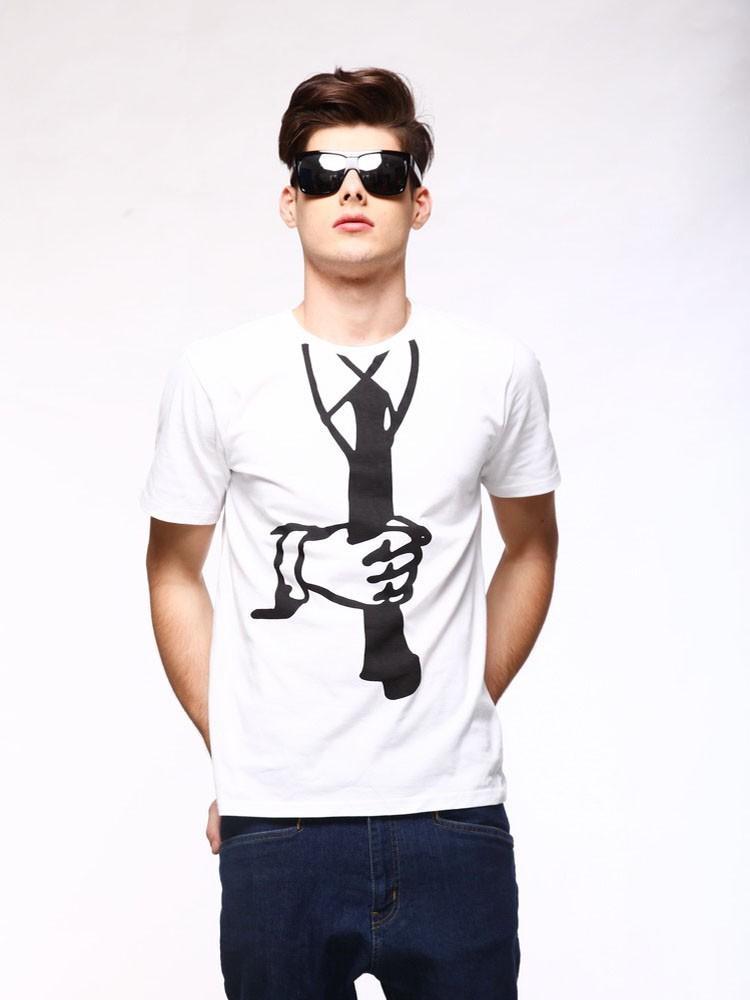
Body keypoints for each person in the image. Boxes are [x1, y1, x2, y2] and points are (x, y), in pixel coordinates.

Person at [140, 65, 561, 1000]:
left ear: (420, 200)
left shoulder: (496, 370)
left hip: (453, 816)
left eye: (381, 171)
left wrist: (467, 691)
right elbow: (172, 568)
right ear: (289, 201)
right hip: (279, 825)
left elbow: (532, 543)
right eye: (324, 173)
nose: (353, 190)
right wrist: (238, 747)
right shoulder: (219, 374)